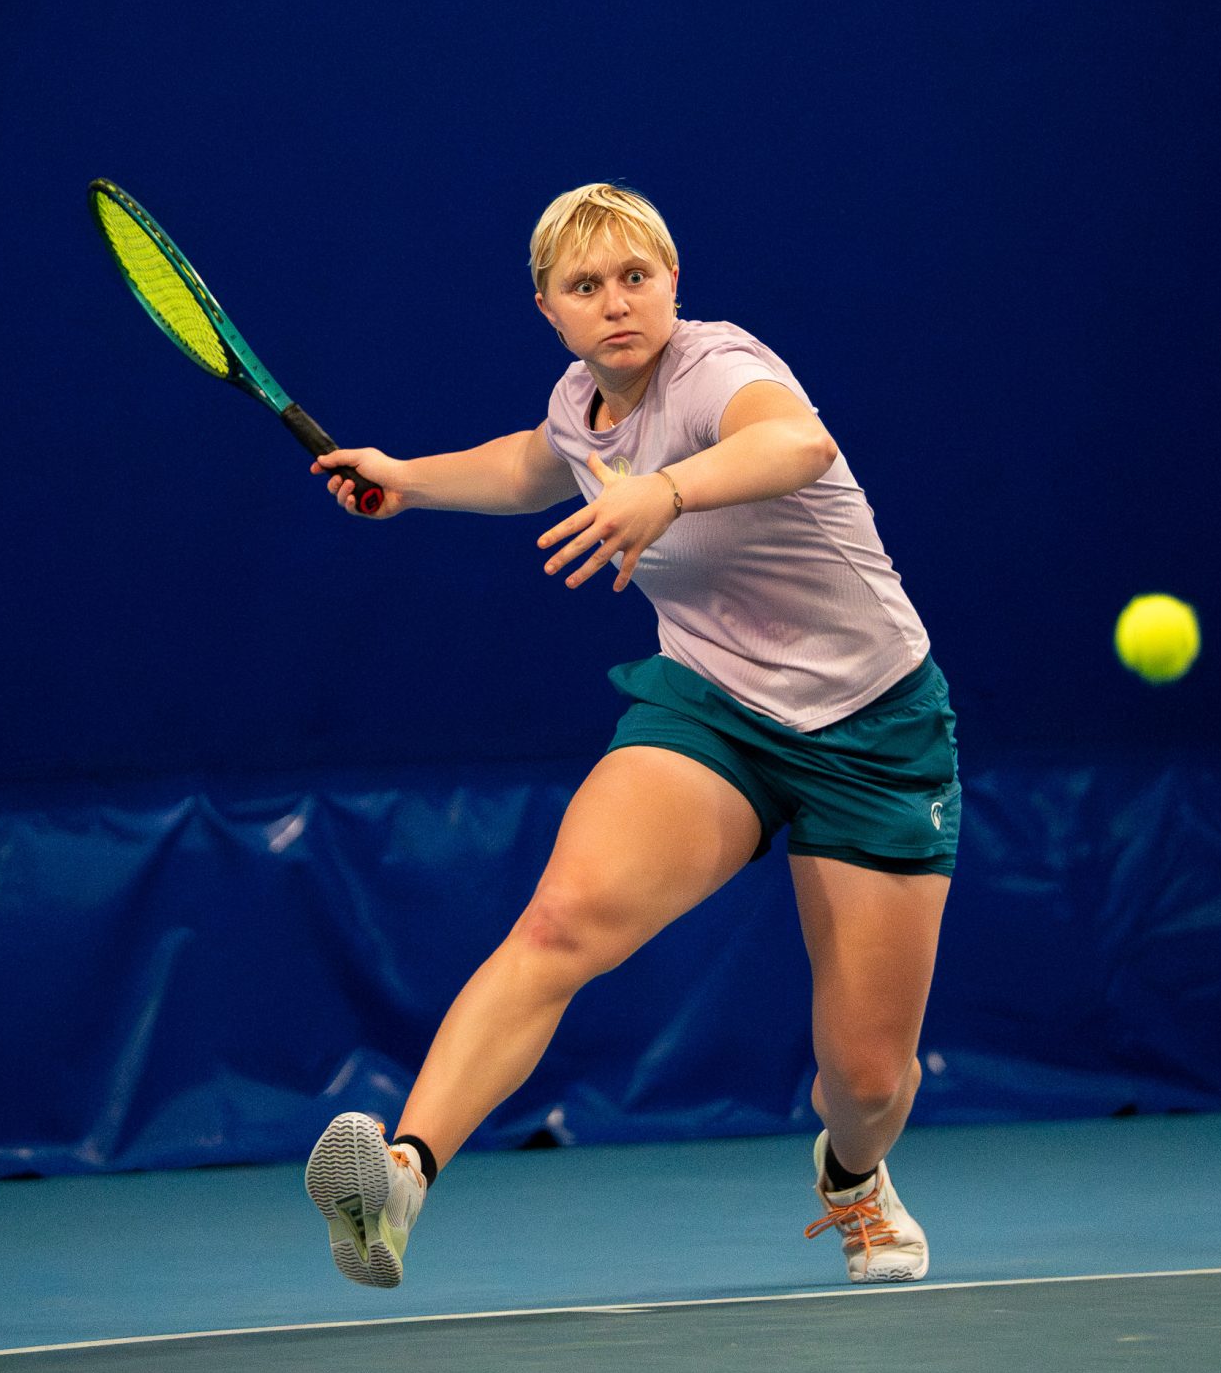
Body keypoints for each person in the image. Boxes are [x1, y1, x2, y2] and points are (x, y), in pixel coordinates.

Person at [303, 181, 960, 1290]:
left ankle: (853, 1176)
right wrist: (406, 481)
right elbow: (534, 461)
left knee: (866, 1079)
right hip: (710, 707)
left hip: (873, 727)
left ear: (672, 283)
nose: (615, 302)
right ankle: (402, 1178)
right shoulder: (580, 402)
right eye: (584, 286)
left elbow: (797, 442)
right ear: (547, 310)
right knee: (563, 921)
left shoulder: (717, 367)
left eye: (634, 277)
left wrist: (666, 493)